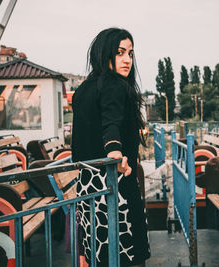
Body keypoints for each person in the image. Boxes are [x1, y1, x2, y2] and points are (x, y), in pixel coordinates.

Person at [71, 28, 150, 267]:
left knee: (97, 253)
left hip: (87, 186)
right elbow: (111, 123)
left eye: (130, 53)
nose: (127, 59)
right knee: (126, 254)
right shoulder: (115, 85)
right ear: (105, 54)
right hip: (114, 183)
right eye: (120, 53)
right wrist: (115, 151)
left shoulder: (84, 89)